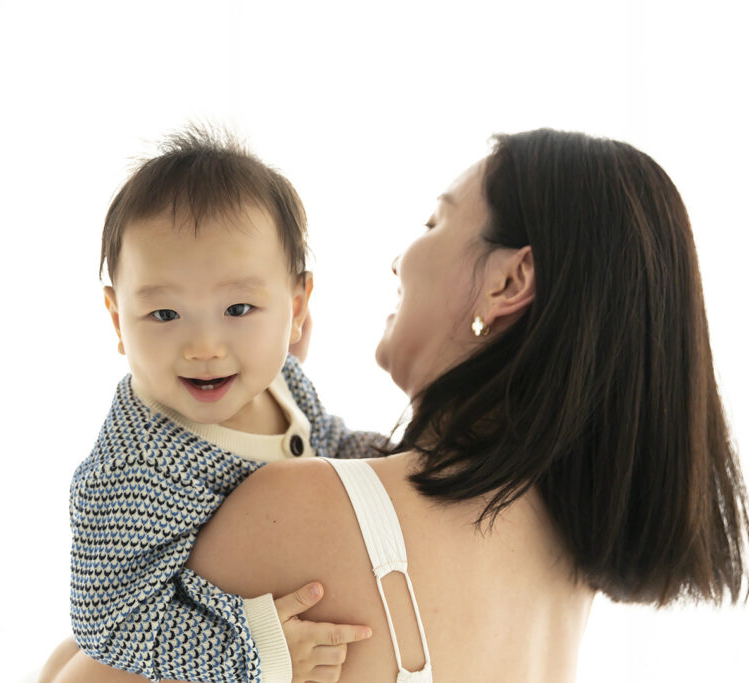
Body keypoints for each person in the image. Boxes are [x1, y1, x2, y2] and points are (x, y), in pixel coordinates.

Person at [43, 128, 749, 682]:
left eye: (435, 222)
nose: (401, 257)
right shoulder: (560, 533)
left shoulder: (306, 505)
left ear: (510, 280)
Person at [60, 127, 383, 683]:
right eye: (164, 315)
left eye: (238, 308)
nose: (204, 348)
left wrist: (395, 458)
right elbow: (107, 623)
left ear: (297, 305)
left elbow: (327, 441)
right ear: (118, 320)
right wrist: (252, 652)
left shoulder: (282, 379)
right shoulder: (141, 468)